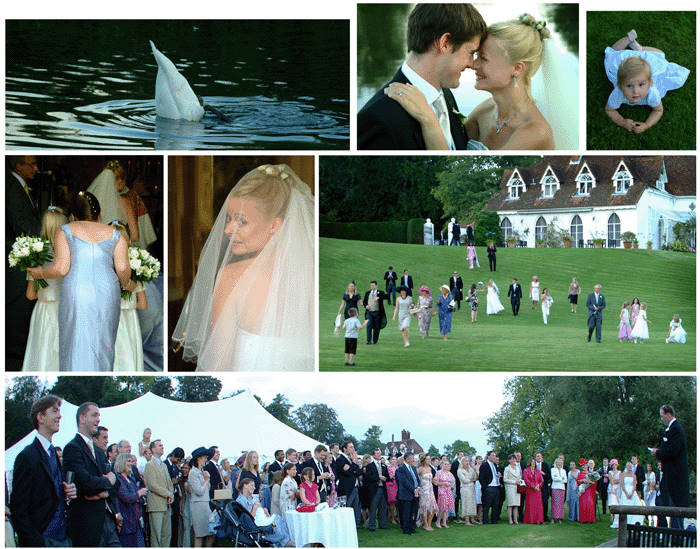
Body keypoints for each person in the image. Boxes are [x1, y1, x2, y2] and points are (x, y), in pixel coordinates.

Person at [172, 164, 314, 371]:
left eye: (242, 222)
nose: (228, 229)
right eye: (229, 218)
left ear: (274, 225)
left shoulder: (232, 277)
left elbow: (219, 365)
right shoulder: (313, 277)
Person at [357, 2, 486, 150]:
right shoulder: (379, 119)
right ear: (445, 43)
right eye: (470, 53)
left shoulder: (446, 96)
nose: (472, 64)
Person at [27, 192, 133, 371]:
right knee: (104, 338)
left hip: (76, 288)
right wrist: (125, 283)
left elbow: (61, 268)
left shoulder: (65, 231)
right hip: (107, 289)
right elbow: (122, 268)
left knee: (74, 336)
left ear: (73, 216)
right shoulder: (116, 235)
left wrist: (40, 273)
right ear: (100, 215)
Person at [10, 395, 77, 547]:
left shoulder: (53, 452)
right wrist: (36, 542)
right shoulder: (26, 457)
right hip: (43, 539)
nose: (60, 415)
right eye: (54, 411)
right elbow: (18, 508)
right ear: (40, 417)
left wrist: (66, 492)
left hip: (64, 537)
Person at [603, 30, 689, 134]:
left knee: (660, 54)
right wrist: (622, 121)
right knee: (611, 55)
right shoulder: (618, 92)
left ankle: (640, 49)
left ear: (649, 83)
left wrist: (647, 125)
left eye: (641, 85)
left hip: (645, 67)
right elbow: (609, 109)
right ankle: (628, 39)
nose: (635, 91)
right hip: (624, 63)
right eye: (629, 86)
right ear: (620, 84)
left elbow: (658, 110)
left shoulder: (652, 92)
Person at [62, 402, 116, 547]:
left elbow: (116, 484)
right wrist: (107, 483)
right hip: (85, 525)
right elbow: (85, 483)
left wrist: (104, 492)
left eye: (99, 416)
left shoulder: (99, 452)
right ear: (82, 418)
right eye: (94, 415)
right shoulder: (72, 448)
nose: (98, 420)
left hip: (105, 523)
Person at [6, 155, 42, 367]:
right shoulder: (11, 187)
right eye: (32, 164)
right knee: (18, 306)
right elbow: (24, 224)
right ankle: (16, 353)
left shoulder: (19, 186)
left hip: (21, 256)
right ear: (18, 165)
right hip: (17, 260)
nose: (36, 168)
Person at [22, 206, 68, 372]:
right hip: (63, 310)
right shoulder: (68, 254)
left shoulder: (35, 255)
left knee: (41, 350)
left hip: (43, 310)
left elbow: (30, 295)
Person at [111, 221, 147, 371]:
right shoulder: (136, 264)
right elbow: (143, 305)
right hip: (130, 320)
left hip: (111, 318)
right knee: (128, 356)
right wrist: (129, 305)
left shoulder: (105, 264)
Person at [651, 404, 689, 529]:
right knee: (670, 508)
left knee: (676, 509)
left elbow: (672, 451)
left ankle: (677, 539)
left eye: (662, 417)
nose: (662, 419)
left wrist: (658, 453)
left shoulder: (676, 429)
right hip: (670, 477)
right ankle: (674, 536)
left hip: (676, 478)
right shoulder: (671, 430)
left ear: (668, 415)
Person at [87, 160, 139, 244]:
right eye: (125, 180)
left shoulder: (92, 200)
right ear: (120, 181)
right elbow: (135, 236)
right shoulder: (124, 201)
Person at [144, 439, 174, 547]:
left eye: (162, 445)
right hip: (156, 505)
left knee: (167, 535)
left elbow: (169, 483)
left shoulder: (164, 465)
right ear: (153, 449)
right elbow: (152, 485)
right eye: (159, 445)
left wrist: (171, 494)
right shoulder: (149, 465)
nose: (162, 447)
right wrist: (167, 493)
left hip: (166, 505)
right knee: (156, 535)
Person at [115, 453, 147, 547]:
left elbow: (140, 500)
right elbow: (127, 497)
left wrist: (137, 497)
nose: (132, 464)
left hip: (137, 522)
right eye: (129, 461)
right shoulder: (119, 479)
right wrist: (139, 494)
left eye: (132, 461)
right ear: (121, 462)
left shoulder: (131, 479)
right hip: (127, 523)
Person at [186, 447, 212, 548]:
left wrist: (206, 479)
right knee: (199, 534)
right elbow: (199, 491)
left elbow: (207, 489)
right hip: (198, 506)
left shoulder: (201, 471)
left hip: (205, 504)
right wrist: (206, 480)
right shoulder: (193, 473)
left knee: (211, 532)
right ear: (198, 458)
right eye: (204, 457)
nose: (206, 459)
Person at [336, 441, 362, 526]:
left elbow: (358, 472)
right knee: (347, 508)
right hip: (346, 488)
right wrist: (354, 464)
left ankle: (355, 528)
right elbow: (348, 472)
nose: (353, 449)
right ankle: (345, 527)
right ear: (344, 449)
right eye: (351, 447)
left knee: (356, 509)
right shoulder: (341, 459)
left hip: (355, 487)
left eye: (353, 447)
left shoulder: (351, 459)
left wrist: (353, 467)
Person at [363, 449, 389, 531]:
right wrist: (378, 478)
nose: (379, 455)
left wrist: (386, 478)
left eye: (380, 453)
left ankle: (383, 524)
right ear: (373, 455)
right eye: (377, 453)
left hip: (383, 488)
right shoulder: (369, 466)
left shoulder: (384, 465)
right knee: (373, 507)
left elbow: (387, 476)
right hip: (374, 489)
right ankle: (372, 525)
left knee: (383, 507)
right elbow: (368, 477)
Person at [396, 453, 420, 535]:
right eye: (412, 458)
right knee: (406, 512)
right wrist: (413, 489)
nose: (413, 459)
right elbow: (404, 482)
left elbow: (417, 479)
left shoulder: (413, 468)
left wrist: (418, 488)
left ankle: (412, 527)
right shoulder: (401, 469)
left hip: (415, 494)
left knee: (414, 512)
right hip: (406, 494)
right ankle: (406, 529)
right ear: (406, 459)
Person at [362, 281, 390, 345]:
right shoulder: (367, 293)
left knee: (377, 327)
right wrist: (366, 306)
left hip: (377, 312)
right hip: (369, 312)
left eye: (373, 285)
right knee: (369, 326)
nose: (372, 286)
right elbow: (364, 302)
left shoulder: (380, 292)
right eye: (371, 285)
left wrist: (379, 298)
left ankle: (375, 341)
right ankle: (368, 341)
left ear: (376, 286)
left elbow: (387, 297)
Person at [478, 451, 501, 524]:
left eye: (495, 455)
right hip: (489, 487)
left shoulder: (495, 465)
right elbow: (481, 478)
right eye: (492, 455)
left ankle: (494, 520)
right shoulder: (484, 465)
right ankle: (485, 520)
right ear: (488, 456)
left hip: (496, 487)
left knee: (495, 505)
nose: (494, 457)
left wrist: (499, 476)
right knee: (487, 505)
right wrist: (486, 487)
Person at [458, 456, 478, 525]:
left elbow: (475, 477)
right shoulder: (460, 470)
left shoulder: (471, 469)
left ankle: (472, 519)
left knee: (472, 503)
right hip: (465, 488)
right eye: (466, 461)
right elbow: (464, 480)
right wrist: (471, 480)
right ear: (462, 462)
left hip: (472, 488)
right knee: (466, 503)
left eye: (468, 461)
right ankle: (467, 521)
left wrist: (475, 470)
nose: (467, 462)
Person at [523, 458, 544, 524]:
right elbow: (526, 480)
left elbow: (541, 480)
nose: (533, 463)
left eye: (534, 462)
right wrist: (533, 486)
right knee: (531, 505)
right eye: (532, 462)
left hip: (537, 490)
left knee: (538, 506)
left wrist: (538, 486)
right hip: (530, 490)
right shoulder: (526, 470)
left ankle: (538, 519)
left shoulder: (538, 471)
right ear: (529, 463)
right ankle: (531, 520)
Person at [435, 460, 455, 528]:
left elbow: (452, 482)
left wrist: (451, 485)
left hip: (448, 491)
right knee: (442, 506)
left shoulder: (450, 473)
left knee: (447, 506)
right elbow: (436, 482)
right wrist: (444, 483)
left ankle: (444, 522)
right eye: (445, 464)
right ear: (442, 465)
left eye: (448, 464)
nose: (447, 465)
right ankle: (438, 521)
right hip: (441, 491)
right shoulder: (439, 472)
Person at [577, 458, 597, 523]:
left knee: (589, 503)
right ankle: (583, 519)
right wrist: (583, 480)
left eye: (585, 466)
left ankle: (590, 519)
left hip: (589, 491)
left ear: (587, 466)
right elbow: (578, 481)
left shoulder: (590, 473)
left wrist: (590, 482)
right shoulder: (580, 473)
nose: (584, 467)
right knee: (583, 504)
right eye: (583, 466)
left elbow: (594, 482)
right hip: (582, 491)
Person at [503, 454, 521, 525]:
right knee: (511, 504)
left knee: (516, 504)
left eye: (514, 459)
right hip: (510, 488)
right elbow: (505, 479)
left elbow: (519, 477)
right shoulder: (507, 468)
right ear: (509, 460)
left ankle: (515, 519)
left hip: (517, 488)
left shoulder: (518, 468)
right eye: (512, 459)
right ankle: (510, 519)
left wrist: (519, 481)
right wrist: (514, 482)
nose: (513, 460)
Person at [550, 457, 566, 524]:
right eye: (558, 462)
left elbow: (565, 480)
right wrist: (561, 478)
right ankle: (553, 518)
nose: (559, 464)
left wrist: (558, 478)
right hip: (555, 488)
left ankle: (560, 518)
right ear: (556, 463)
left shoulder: (563, 470)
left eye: (561, 463)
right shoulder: (553, 469)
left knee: (560, 504)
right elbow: (554, 478)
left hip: (562, 488)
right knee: (555, 503)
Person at [386, 455, 399, 524]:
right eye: (393, 459)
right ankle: (392, 518)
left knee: (398, 502)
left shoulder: (398, 467)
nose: (394, 461)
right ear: (390, 460)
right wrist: (391, 476)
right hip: (391, 485)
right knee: (392, 502)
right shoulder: (388, 468)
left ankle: (398, 517)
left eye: (395, 459)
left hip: (397, 485)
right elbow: (388, 476)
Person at [608, 459, 621, 527]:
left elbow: (620, 480)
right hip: (612, 489)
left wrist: (615, 480)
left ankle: (617, 517)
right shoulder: (610, 472)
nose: (614, 466)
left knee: (617, 503)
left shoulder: (619, 472)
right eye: (613, 465)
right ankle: (612, 516)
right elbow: (611, 481)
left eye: (615, 465)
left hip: (618, 489)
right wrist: (616, 481)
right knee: (611, 503)